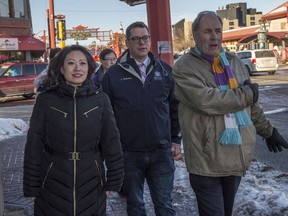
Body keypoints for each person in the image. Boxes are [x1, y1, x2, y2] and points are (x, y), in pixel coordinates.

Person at [172, 11, 288, 216]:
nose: (214, 36)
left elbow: (250, 106)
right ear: (195, 35)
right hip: (205, 159)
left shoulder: (233, 62)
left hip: (235, 155)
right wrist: (247, 93)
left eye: (218, 31)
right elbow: (208, 100)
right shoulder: (184, 67)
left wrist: (269, 132)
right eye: (207, 31)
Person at [23, 45, 124, 216]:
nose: (78, 68)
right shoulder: (46, 100)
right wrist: (31, 185)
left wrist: (115, 177)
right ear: (61, 69)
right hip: (52, 178)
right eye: (71, 63)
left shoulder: (100, 100)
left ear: (89, 68)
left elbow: (111, 141)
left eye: (83, 63)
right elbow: (34, 144)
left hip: (92, 179)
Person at [101, 21, 182, 216]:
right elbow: (106, 116)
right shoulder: (113, 75)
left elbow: (174, 107)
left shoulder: (164, 70)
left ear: (150, 40)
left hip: (161, 152)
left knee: (165, 205)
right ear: (127, 42)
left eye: (145, 38)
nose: (141, 42)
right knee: (135, 206)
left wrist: (175, 139)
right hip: (129, 153)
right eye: (136, 39)